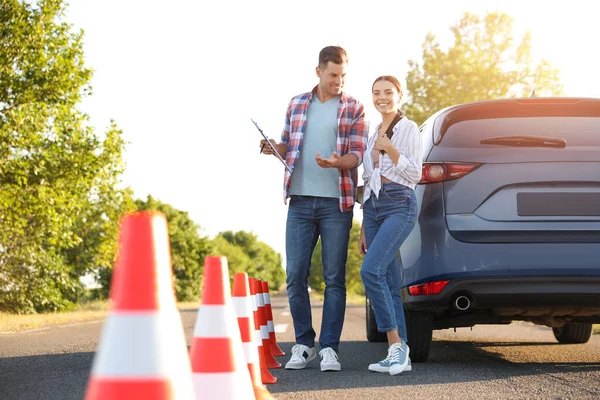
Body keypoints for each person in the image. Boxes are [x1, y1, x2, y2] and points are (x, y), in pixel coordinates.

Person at [260, 45, 368, 372]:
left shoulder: (354, 107)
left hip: (337, 203)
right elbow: (286, 144)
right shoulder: (296, 104)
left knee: (334, 278)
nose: (339, 81)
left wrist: (338, 163)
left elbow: (357, 154)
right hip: (300, 201)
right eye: (333, 74)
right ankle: (304, 344)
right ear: (319, 71)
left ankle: (329, 348)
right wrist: (272, 148)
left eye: (343, 75)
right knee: (295, 275)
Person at [358, 75, 422, 375]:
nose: (381, 97)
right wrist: (363, 225)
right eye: (376, 93)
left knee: (370, 271)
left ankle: (395, 345)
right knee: (389, 280)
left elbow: (415, 175)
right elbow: (368, 182)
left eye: (387, 92)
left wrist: (391, 150)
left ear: (399, 95)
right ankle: (401, 356)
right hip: (373, 208)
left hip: (399, 204)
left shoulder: (407, 128)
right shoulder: (373, 134)